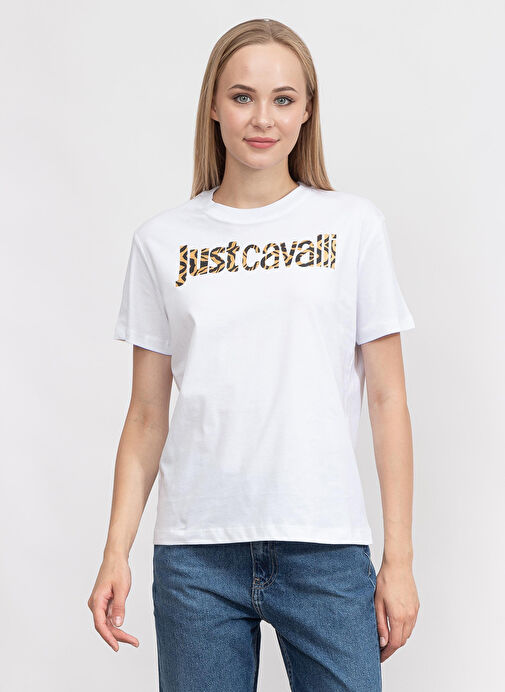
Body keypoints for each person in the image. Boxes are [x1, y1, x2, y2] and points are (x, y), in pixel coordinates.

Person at [88, 17, 420, 692]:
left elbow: (387, 399)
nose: (262, 118)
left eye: (282, 99)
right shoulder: (162, 241)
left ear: (307, 110)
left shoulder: (351, 227)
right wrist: (115, 550)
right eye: (242, 97)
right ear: (213, 105)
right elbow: (147, 413)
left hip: (324, 545)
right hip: (195, 555)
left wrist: (399, 560)